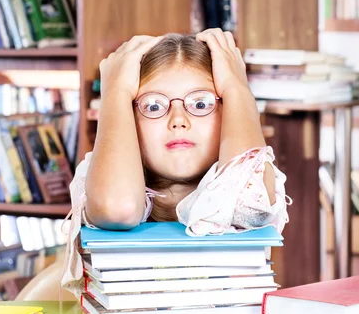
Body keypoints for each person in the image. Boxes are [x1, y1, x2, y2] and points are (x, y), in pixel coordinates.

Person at [61, 28, 290, 299]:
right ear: (127, 120)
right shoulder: (101, 177)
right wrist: (115, 92)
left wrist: (237, 86)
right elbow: (118, 208)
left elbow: (245, 207)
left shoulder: (251, 178)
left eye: (202, 103)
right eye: (154, 106)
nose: (179, 120)